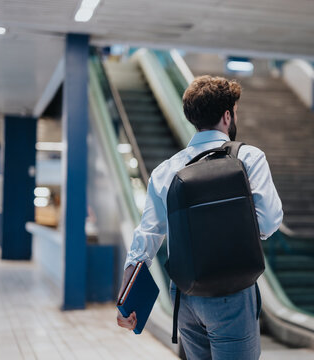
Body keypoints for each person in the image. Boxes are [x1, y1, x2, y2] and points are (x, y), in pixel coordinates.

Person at [117, 75, 283, 359]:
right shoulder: (248, 158)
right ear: (227, 115)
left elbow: (147, 235)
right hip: (232, 292)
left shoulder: (166, 170)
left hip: (185, 296)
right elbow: (268, 222)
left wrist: (125, 298)